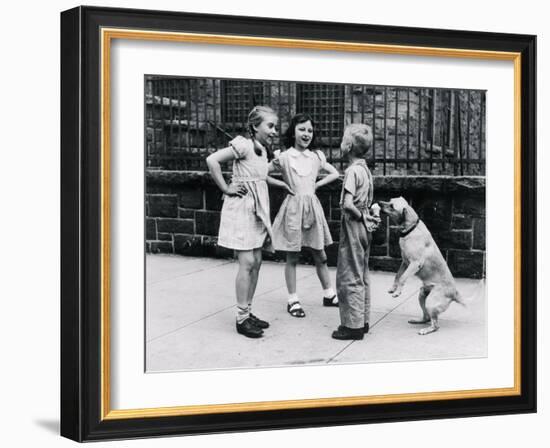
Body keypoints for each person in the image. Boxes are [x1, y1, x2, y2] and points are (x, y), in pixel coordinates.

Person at [206, 105, 291, 338]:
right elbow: (212, 160)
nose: (274, 131)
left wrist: (281, 182)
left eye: (275, 126)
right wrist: (226, 187)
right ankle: (241, 318)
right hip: (242, 208)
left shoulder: (262, 150)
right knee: (246, 263)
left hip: (258, 211)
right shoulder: (242, 144)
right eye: (270, 126)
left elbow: (259, 178)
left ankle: (248, 311)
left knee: (256, 261)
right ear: (255, 126)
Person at [269, 113, 340, 318]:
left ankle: (328, 294)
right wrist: (281, 184)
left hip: (312, 209)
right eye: (302, 129)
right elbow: (261, 173)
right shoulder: (283, 157)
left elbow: (334, 172)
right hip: (293, 210)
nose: (306, 134)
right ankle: (293, 300)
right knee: (292, 256)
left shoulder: (316, 157)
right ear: (293, 132)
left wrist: (317, 184)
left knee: (321, 255)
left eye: (309, 130)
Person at [331, 124, 380, 340]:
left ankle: (352, 326)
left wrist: (360, 216)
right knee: (362, 272)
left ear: (348, 146)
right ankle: (363, 320)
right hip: (365, 227)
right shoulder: (365, 170)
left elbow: (349, 204)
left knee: (349, 273)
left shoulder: (352, 171)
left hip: (354, 223)